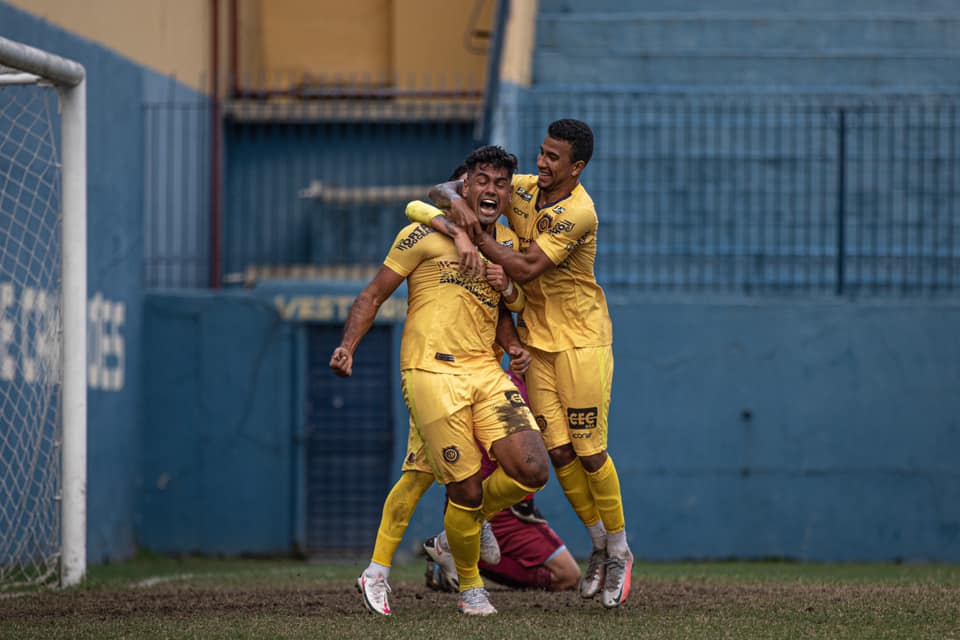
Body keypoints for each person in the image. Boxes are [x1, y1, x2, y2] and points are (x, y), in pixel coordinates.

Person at [412, 119, 634, 609]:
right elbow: (447, 187)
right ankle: (598, 545)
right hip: (537, 343)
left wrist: (472, 236)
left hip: (582, 343)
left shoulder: (580, 212)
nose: (540, 163)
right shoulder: (528, 189)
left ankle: (620, 551)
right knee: (558, 455)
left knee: (590, 452)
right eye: (541, 152)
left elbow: (527, 266)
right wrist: (455, 205)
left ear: (577, 167)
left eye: (554, 158)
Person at [330, 145, 550, 616]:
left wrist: (509, 312)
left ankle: (458, 535)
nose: (491, 190)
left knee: (532, 469)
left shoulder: (506, 243)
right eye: (482, 181)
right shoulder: (421, 235)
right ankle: (469, 589)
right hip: (432, 372)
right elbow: (372, 296)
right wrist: (349, 345)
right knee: (460, 488)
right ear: (463, 187)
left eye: (500, 184)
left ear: (508, 195)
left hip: (485, 374)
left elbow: (510, 307)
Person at [424, 370, 581, 592]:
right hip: (495, 508)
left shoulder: (541, 390)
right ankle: (459, 554)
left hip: (518, 510)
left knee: (569, 576)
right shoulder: (505, 390)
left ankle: (456, 551)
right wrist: (474, 507)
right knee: (567, 576)